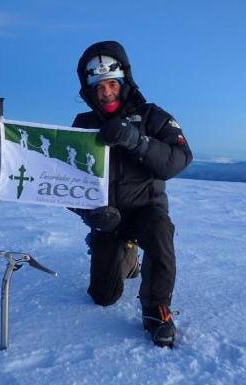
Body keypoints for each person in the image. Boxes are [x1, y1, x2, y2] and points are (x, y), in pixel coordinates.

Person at [70, 41, 193, 347]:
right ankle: (128, 259)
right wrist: (90, 215)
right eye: (98, 87)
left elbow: (180, 159)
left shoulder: (153, 116)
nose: (106, 92)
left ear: (125, 82)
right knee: (103, 297)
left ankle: (156, 311)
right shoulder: (82, 126)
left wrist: (138, 142)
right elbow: (64, 184)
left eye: (112, 83)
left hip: (145, 210)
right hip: (106, 218)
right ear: (88, 90)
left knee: (160, 230)